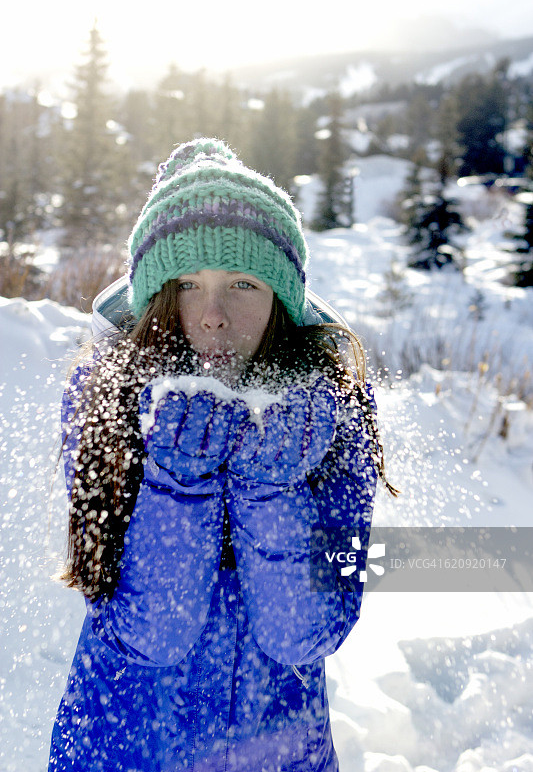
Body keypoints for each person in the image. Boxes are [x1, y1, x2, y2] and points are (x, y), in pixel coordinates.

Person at [48, 138, 397, 772]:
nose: (211, 315)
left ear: (283, 300)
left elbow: (305, 635)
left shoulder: (333, 415)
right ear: (154, 298)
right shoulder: (108, 398)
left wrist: (273, 489)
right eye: (187, 284)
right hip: (122, 748)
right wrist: (177, 484)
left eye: (241, 282)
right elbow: (148, 635)